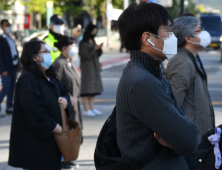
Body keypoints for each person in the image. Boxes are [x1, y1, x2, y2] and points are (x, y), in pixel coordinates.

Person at [116, 2, 199, 169]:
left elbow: (182, 130)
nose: (173, 36)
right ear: (148, 38)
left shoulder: (150, 73)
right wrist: (178, 138)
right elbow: (189, 140)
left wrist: (176, 138)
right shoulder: (142, 82)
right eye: (168, 30)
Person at [8, 40, 72, 170]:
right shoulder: (27, 80)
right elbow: (32, 109)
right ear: (35, 57)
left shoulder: (48, 74)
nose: (49, 55)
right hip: (36, 144)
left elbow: (64, 90)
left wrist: (65, 100)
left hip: (51, 141)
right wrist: (52, 126)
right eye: (45, 52)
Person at [165, 16, 215, 170]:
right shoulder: (182, 62)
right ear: (188, 38)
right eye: (200, 30)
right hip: (190, 144)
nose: (204, 34)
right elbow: (173, 105)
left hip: (198, 140)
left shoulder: (192, 58)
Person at [52, 36, 83, 169]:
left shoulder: (68, 61)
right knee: (67, 132)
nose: (74, 49)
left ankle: (68, 157)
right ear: (64, 48)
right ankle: (64, 159)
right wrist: (68, 97)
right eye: (72, 46)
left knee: (74, 131)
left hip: (74, 104)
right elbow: (56, 84)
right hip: (66, 105)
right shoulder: (59, 63)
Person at [79, 23, 103, 116]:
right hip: (86, 67)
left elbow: (97, 53)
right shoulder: (83, 43)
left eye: (95, 32)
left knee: (92, 89)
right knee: (86, 88)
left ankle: (92, 108)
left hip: (94, 66)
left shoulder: (92, 41)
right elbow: (84, 56)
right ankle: (86, 109)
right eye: (93, 31)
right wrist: (95, 49)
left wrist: (99, 48)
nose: (94, 33)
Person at [0, 19, 19, 117]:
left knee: (12, 88)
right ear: (2, 27)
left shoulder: (11, 38)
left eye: (9, 25)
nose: (9, 27)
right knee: (5, 88)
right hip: (6, 69)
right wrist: (2, 69)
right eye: (7, 25)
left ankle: (9, 106)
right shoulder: (1, 40)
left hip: (13, 67)